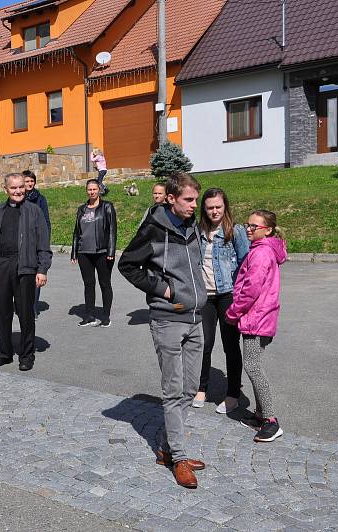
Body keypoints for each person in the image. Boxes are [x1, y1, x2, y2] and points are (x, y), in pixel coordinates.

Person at [117, 172, 207, 489]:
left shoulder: (191, 224)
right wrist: (163, 290)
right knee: (173, 390)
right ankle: (179, 458)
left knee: (191, 387)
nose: (194, 205)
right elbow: (127, 264)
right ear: (170, 199)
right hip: (168, 318)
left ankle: (168, 448)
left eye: (195, 199)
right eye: (189, 200)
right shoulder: (154, 228)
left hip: (195, 316)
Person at [226, 210, 287, 443]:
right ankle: (261, 415)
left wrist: (233, 312)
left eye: (254, 226)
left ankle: (271, 420)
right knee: (253, 365)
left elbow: (251, 289)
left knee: (252, 367)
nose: (249, 229)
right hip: (261, 317)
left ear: (268, 230)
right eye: (247, 225)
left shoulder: (261, 252)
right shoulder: (263, 249)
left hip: (257, 318)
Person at [0, 173, 52, 372]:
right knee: (2, 312)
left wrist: (42, 268)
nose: (18, 191)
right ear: (6, 190)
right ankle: (4, 353)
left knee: (25, 313)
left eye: (21, 187)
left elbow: (43, 242)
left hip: (25, 267)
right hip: (0, 266)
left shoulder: (34, 211)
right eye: (13, 188)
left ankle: (26, 354)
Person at [193, 188, 250, 414]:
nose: (215, 211)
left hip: (228, 295)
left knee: (230, 345)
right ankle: (201, 387)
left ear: (225, 206)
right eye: (210, 207)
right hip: (205, 296)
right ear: (204, 209)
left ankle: (232, 393)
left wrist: (244, 296)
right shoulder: (197, 231)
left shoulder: (234, 231)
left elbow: (247, 265)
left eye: (218, 206)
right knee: (204, 344)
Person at [71, 179, 117, 327]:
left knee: (104, 283)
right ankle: (89, 315)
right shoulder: (82, 209)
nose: (92, 192)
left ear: (99, 190)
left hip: (102, 252)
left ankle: (105, 316)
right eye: (89, 190)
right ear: (87, 191)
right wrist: (74, 251)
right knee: (88, 284)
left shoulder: (107, 207)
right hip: (84, 252)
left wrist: (111, 250)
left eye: (94, 189)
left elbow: (112, 230)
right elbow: (77, 232)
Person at [22, 170, 50, 317]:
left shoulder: (41, 199)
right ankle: (23, 305)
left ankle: (33, 306)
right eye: (27, 181)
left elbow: (46, 222)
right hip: (22, 244)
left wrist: (45, 242)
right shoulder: (18, 199)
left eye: (32, 181)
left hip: (37, 242)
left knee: (37, 276)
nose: (30, 184)